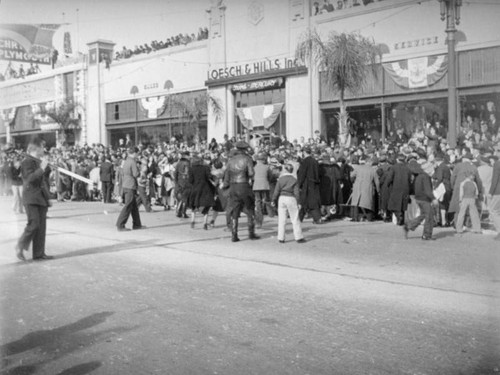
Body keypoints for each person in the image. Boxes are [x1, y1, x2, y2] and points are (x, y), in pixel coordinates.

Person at [16, 138, 53, 261]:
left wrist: (48, 198)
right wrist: (42, 168)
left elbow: (43, 181)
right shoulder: (27, 162)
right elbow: (29, 179)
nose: (44, 150)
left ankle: (38, 253)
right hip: (31, 198)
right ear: (36, 149)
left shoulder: (38, 162)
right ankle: (20, 245)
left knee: (41, 227)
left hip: (41, 198)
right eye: (42, 147)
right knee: (34, 224)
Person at [223, 141, 259, 242]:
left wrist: (226, 186)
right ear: (245, 149)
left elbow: (227, 175)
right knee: (250, 208)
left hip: (233, 186)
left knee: (235, 210)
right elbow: (251, 173)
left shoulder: (230, 160)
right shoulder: (247, 159)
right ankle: (251, 233)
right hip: (243, 185)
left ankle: (234, 234)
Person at [272, 163, 306, 244]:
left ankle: (281, 237)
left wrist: (273, 200)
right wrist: (299, 202)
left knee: (282, 219)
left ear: (285, 169)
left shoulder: (281, 179)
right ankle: (298, 237)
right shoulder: (294, 179)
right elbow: (296, 192)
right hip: (291, 198)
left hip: (282, 198)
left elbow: (276, 190)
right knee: (294, 218)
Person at [403, 162, 436, 240]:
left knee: (423, 215)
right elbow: (428, 190)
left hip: (419, 198)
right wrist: (433, 198)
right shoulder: (425, 176)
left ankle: (409, 225)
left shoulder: (418, 176)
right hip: (424, 199)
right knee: (429, 216)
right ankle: (426, 235)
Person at [116, 147, 144, 231]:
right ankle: (120, 224)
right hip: (130, 185)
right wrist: (141, 171)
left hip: (126, 184)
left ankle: (137, 224)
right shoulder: (133, 162)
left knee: (134, 206)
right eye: (137, 153)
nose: (138, 155)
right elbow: (136, 174)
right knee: (128, 205)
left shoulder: (126, 161)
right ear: (134, 153)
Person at [188, 154, 215, 230]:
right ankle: (205, 223)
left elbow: (190, 180)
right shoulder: (205, 168)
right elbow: (209, 177)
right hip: (205, 188)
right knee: (207, 205)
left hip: (195, 188)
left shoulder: (191, 169)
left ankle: (192, 221)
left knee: (194, 205)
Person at [297, 147, 323, 224]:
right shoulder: (315, 161)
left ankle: (299, 219)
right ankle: (317, 218)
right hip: (315, 183)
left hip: (307, 183)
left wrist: (299, 184)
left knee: (304, 201)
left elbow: (302, 174)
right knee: (313, 201)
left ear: (304, 152)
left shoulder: (305, 162)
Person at [487, 149, 500, 241]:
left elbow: (495, 179)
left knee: (493, 210)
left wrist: (491, 192)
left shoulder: (497, 164)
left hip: (497, 191)